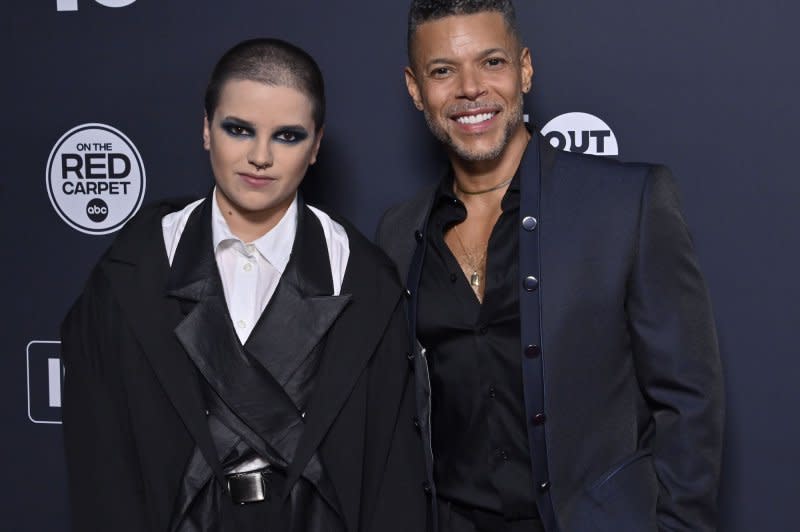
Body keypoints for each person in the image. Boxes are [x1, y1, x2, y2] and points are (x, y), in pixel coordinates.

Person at [376, 1, 724, 531]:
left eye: (491, 62)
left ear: (525, 69)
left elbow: (689, 402)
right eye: (443, 70)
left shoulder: (626, 203)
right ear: (415, 88)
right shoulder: (398, 234)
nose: (470, 88)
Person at [62, 38, 428, 532]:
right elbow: (101, 467)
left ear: (316, 146)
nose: (260, 156)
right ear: (206, 130)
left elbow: (391, 479)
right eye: (239, 129)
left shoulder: (364, 278)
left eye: (287, 136)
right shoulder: (132, 272)